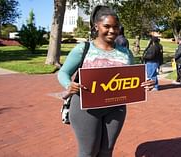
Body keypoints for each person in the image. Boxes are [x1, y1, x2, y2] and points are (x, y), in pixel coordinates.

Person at [57, 5, 154, 157]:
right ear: (96, 26)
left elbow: (134, 76)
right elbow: (63, 72)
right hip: (85, 107)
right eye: (107, 26)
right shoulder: (84, 49)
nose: (112, 30)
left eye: (115, 27)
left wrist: (146, 82)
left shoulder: (126, 53)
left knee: (106, 151)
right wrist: (69, 85)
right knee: (88, 152)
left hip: (116, 107)